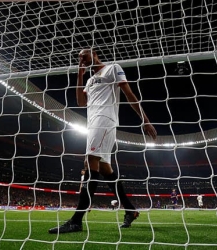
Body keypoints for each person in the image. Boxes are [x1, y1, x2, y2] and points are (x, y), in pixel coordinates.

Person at [48, 49, 157, 234]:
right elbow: (81, 102)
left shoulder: (112, 69)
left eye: (84, 55)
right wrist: (80, 75)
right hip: (93, 123)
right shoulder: (90, 80)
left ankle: (76, 220)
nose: (81, 59)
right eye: (79, 57)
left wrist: (145, 120)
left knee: (90, 160)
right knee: (105, 168)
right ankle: (130, 209)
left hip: (105, 120)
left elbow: (129, 94)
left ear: (95, 54)